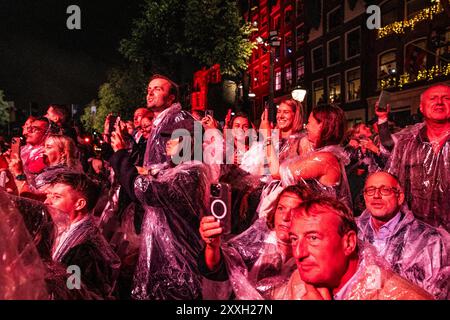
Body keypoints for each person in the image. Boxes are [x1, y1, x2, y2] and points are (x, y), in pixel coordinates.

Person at [110, 117, 211, 300]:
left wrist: (119, 154)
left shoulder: (190, 173)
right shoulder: (176, 169)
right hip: (168, 254)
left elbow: (143, 189)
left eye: (174, 138)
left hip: (178, 260)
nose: (167, 143)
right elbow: (149, 172)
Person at [282, 196, 433, 300]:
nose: (298, 253)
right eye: (294, 239)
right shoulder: (299, 281)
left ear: (348, 243)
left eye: (313, 238)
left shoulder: (401, 296)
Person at [198, 185, 312, 299]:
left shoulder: (311, 252)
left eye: (294, 211)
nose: (285, 217)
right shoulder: (257, 242)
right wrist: (212, 246)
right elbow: (218, 268)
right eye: (281, 208)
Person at [357, 171, 450, 299]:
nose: (376, 195)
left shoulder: (427, 239)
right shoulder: (353, 231)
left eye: (385, 190)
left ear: (400, 197)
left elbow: (435, 293)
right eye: (371, 190)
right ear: (365, 196)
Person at [379, 83, 450, 231]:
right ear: (421, 107)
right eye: (433, 98)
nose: (439, 102)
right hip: (416, 232)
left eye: (446, 98)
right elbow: (394, 183)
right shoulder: (406, 143)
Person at [43, 171, 121, 299]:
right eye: (49, 195)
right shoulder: (63, 230)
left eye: (56, 197)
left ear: (79, 204)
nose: (46, 202)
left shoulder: (83, 250)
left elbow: (72, 293)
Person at [276, 105, 352, 208]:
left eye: (309, 123)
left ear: (322, 125)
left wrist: (266, 135)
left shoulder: (324, 159)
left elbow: (277, 173)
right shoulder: (325, 154)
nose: (306, 127)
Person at [143, 74, 196, 167]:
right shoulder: (157, 123)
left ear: (171, 98)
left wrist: (152, 172)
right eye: (149, 89)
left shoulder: (180, 118)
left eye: (157, 89)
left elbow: (185, 166)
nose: (150, 93)